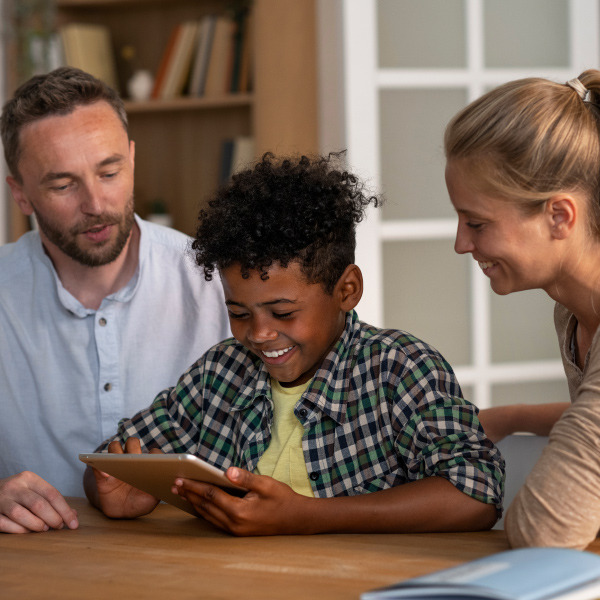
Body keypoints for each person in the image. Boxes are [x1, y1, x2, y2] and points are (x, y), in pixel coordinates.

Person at [84, 152, 504, 536]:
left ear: (347, 290)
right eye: (240, 313)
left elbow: (476, 493)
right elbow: (108, 459)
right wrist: (114, 487)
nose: (260, 334)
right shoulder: (219, 375)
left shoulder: (400, 371)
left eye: (283, 313)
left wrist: (307, 515)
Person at [0, 67, 231, 534]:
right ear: (20, 193)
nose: (96, 203)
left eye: (109, 171)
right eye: (63, 185)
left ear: (132, 157)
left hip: (197, 562)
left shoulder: (215, 281)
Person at [444, 68, 600, 549]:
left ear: (559, 215)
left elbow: (544, 534)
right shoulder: (570, 310)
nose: (461, 244)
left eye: (477, 223)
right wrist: (511, 418)